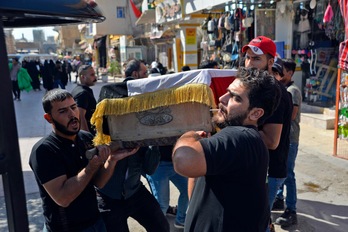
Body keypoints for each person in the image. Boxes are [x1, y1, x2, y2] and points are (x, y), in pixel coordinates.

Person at [172, 67, 281, 231]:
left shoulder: (240, 136)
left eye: (235, 98)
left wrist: (188, 136)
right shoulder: (245, 139)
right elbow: (196, 177)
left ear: (255, 113)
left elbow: (183, 160)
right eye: (227, 92)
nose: (222, 99)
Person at [29, 89, 137, 232]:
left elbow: (98, 182)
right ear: (49, 118)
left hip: (95, 222)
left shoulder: (85, 138)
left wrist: (111, 160)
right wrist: (91, 167)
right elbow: (63, 198)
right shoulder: (44, 151)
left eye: (73, 107)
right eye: (63, 111)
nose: (72, 115)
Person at [96, 59, 169, 232]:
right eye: (145, 74)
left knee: (161, 226)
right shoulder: (112, 101)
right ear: (135, 75)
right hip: (109, 198)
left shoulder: (144, 119)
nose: (147, 78)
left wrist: (153, 141)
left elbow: (150, 170)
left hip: (135, 191)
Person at [242, 36, 293, 231]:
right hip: (256, 167)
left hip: (269, 171)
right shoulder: (257, 88)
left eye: (256, 59)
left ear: (270, 62)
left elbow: (271, 141)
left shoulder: (275, 92)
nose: (249, 64)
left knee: (256, 223)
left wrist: (239, 123)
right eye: (247, 58)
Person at [273, 58, 302, 227]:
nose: (278, 72)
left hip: (290, 138)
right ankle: (279, 199)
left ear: (290, 73)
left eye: (281, 70)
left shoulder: (292, 90)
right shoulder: (283, 89)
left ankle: (292, 210)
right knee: (280, 171)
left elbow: (291, 115)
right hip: (283, 137)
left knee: (288, 174)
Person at [147, 145, 189, 229]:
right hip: (158, 165)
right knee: (162, 204)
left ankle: (181, 219)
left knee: (188, 190)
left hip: (176, 161)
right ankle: (158, 228)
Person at [71, 65, 97, 135]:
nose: (95, 77)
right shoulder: (82, 93)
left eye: (94, 74)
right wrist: (88, 137)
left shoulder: (83, 90)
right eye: (92, 75)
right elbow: (80, 116)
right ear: (83, 77)